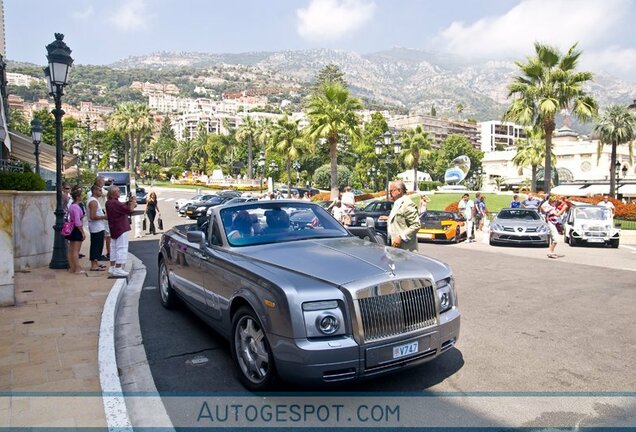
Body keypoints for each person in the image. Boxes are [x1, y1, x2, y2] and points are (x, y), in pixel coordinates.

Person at [105, 185, 136, 277]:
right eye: (118, 191)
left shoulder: (109, 202)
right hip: (121, 227)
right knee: (121, 247)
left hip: (114, 227)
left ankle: (112, 267)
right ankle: (118, 268)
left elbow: (122, 206)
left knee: (114, 248)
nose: (119, 192)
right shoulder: (115, 203)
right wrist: (133, 202)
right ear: (113, 193)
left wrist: (128, 202)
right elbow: (129, 210)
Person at [387, 180, 421, 251]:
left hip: (405, 249)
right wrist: (388, 218)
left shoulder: (408, 204)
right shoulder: (397, 203)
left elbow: (416, 225)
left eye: (391, 191)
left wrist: (401, 237)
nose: (389, 193)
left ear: (399, 191)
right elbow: (401, 218)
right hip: (395, 247)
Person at [87, 184, 108, 272]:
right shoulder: (93, 202)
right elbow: (93, 216)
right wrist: (104, 217)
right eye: (99, 190)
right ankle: (94, 265)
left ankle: (96, 262)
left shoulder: (95, 201)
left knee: (99, 245)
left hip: (98, 226)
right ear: (94, 191)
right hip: (96, 227)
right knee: (96, 245)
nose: (101, 192)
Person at [64, 188, 86, 274]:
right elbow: (77, 222)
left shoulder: (71, 206)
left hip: (72, 229)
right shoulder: (76, 207)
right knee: (76, 250)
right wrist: (82, 232)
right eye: (81, 196)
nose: (82, 197)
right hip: (76, 230)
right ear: (77, 197)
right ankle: (77, 268)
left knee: (71, 250)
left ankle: (72, 267)